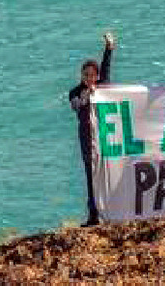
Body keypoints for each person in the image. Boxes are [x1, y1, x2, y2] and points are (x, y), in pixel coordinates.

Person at [67, 31, 115, 226]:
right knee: (91, 175)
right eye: (86, 75)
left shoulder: (102, 87)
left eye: (93, 75)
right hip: (88, 140)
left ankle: (113, 210)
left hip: (105, 137)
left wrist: (109, 49)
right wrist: (88, 93)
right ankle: (93, 215)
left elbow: (107, 69)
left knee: (108, 172)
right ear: (81, 75)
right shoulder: (75, 92)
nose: (89, 78)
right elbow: (77, 106)